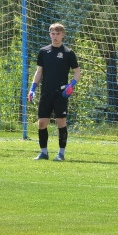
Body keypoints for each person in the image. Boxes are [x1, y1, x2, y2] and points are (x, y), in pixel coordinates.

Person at [28, 22, 81, 161]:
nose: (55, 36)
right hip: (46, 93)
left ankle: (61, 154)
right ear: (49, 34)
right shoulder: (43, 52)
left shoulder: (68, 53)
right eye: (53, 33)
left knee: (61, 121)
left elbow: (77, 72)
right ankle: (43, 153)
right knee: (42, 122)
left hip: (61, 94)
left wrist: (72, 85)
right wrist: (32, 89)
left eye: (58, 34)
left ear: (63, 35)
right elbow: (39, 72)